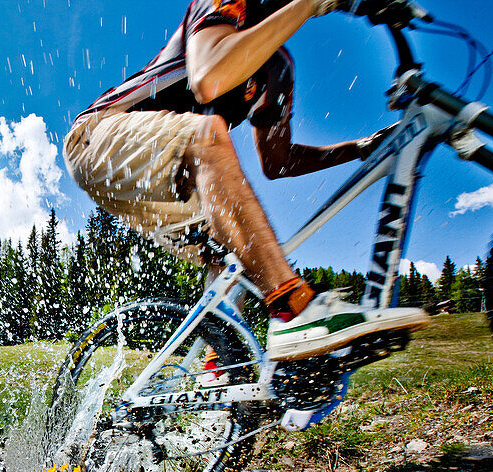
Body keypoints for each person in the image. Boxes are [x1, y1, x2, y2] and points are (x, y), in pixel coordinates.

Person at [63, 0, 429, 361]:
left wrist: (361, 147)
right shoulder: (225, 3)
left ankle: (216, 372)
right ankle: (293, 308)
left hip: (167, 180)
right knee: (207, 134)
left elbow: (278, 162)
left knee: (237, 257)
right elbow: (208, 79)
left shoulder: (278, 69)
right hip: (98, 142)